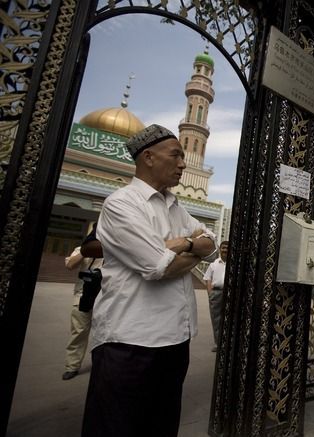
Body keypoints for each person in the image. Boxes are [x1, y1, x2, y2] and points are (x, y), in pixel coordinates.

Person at [82, 124, 218, 437]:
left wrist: (181, 244)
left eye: (184, 157)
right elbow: (159, 267)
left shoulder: (175, 206)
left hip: (174, 341)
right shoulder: (122, 204)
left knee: (160, 425)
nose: (183, 163)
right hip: (130, 343)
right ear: (149, 158)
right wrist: (189, 244)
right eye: (176, 155)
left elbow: (210, 243)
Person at [62, 226, 103, 381]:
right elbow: (70, 265)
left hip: (105, 299)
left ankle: (100, 364)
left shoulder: (112, 251)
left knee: (103, 334)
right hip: (82, 297)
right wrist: (87, 251)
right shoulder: (82, 249)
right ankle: (72, 366)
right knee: (78, 333)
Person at [203, 240, 228, 352]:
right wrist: (210, 293)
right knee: (216, 319)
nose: (225, 250)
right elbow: (208, 279)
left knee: (229, 318)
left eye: (227, 248)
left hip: (229, 294)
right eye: (223, 248)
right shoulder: (213, 264)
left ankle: (227, 342)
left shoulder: (234, 264)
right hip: (216, 293)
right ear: (220, 249)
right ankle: (218, 343)